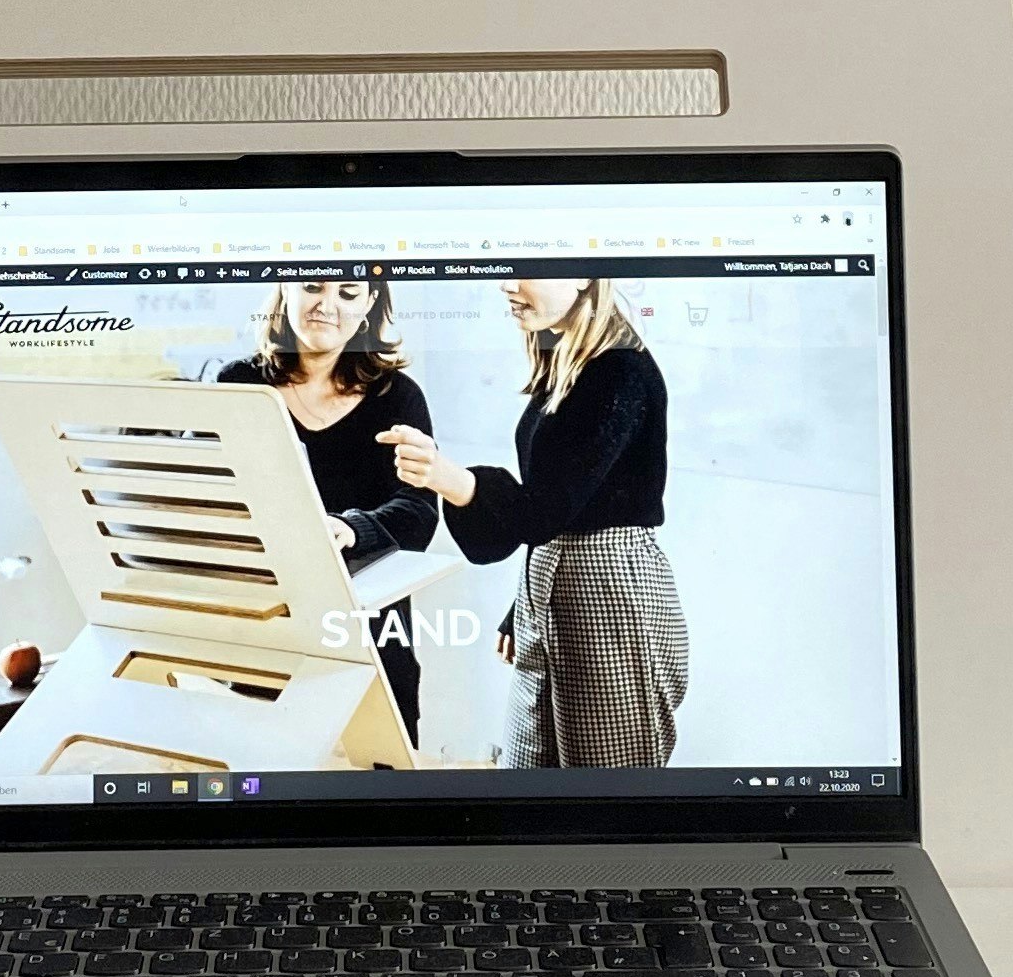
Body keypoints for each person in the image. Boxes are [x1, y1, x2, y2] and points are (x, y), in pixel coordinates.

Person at [383, 276, 687, 771]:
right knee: (529, 772)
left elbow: (547, 509)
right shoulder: (570, 362)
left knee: (606, 793)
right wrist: (522, 607)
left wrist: (448, 478)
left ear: (583, 275)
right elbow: (564, 507)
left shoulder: (619, 370)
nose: (506, 284)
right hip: (556, 587)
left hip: (609, 594)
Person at [218, 271, 434, 743]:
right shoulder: (238, 383)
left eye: (348, 292)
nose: (326, 304)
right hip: (270, 624)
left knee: (381, 777)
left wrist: (350, 528)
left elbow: (420, 513)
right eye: (312, 287)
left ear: (369, 302)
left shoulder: (398, 395)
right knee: (263, 770)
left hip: (373, 630)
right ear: (286, 291)